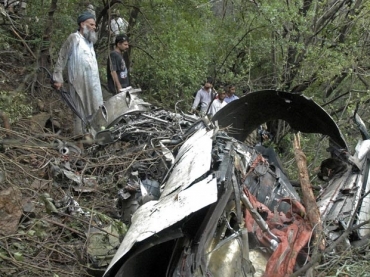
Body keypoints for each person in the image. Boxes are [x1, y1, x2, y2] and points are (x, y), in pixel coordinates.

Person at [53, 11, 103, 137]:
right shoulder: (74, 38)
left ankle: (93, 137)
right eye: (91, 24)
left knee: (96, 109)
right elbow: (62, 56)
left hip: (93, 84)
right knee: (79, 111)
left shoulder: (90, 42)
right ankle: (80, 139)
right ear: (82, 24)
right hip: (78, 83)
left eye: (94, 25)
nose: (94, 27)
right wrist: (57, 78)